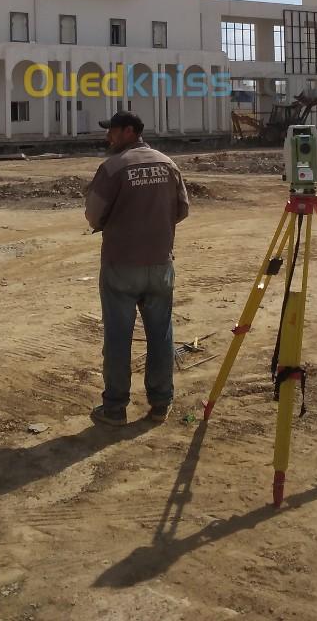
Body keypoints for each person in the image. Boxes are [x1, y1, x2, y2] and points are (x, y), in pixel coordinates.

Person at [84, 111, 189, 426]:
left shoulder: (114, 167)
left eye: (113, 131)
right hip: (160, 263)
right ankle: (160, 403)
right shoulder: (167, 164)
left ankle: (115, 408)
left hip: (121, 265)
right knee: (161, 335)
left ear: (129, 131)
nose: (108, 137)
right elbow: (182, 209)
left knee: (118, 337)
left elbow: (93, 214)